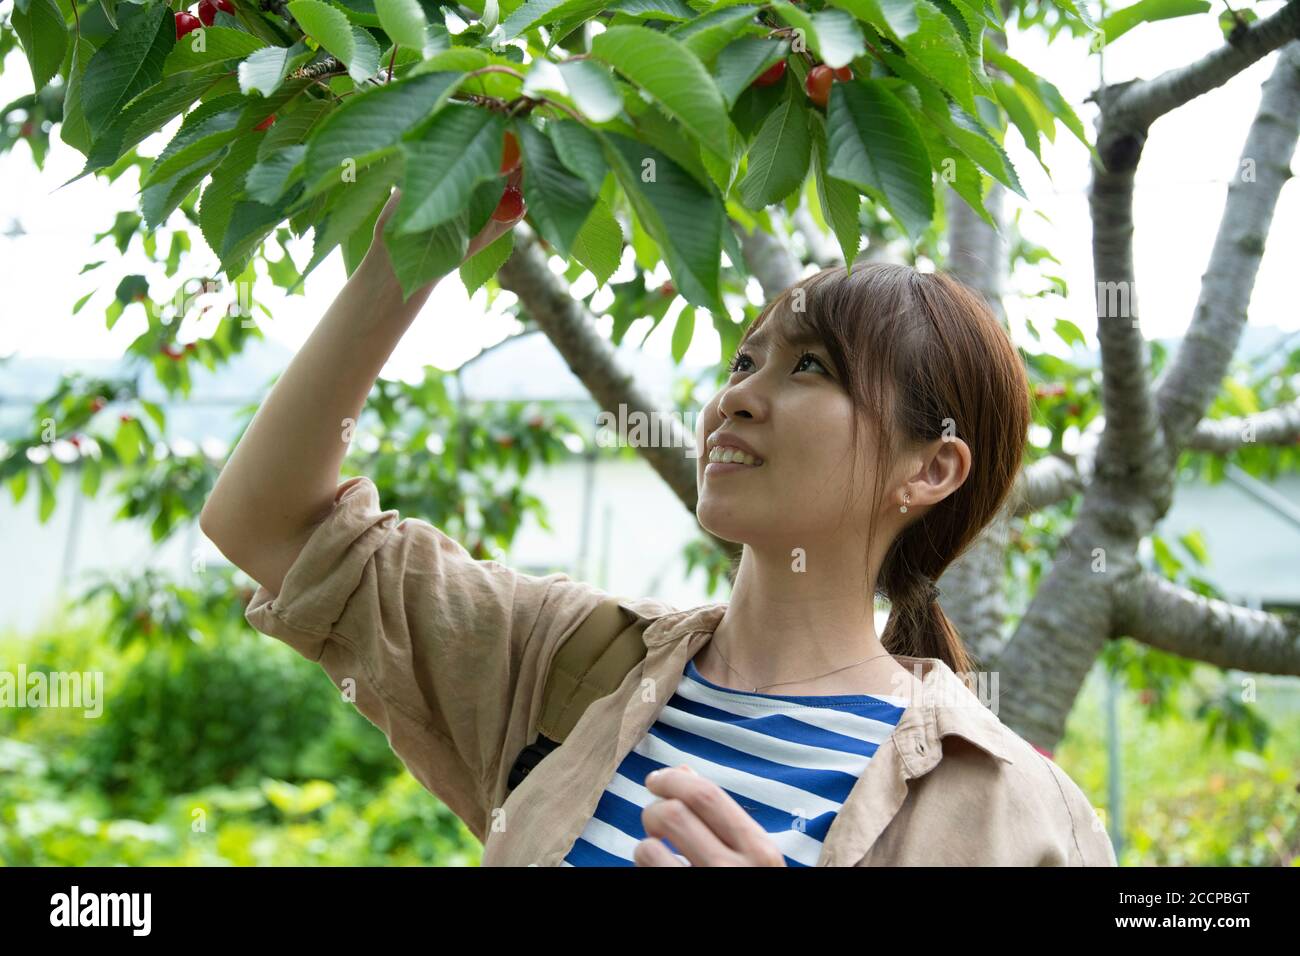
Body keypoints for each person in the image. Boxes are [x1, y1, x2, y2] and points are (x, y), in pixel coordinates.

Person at [202, 194, 1117, 867]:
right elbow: (268, 524)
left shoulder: (1011, 813)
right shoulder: (567, 664)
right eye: (744, 359)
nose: (738, 399)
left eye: (810, 369)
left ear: (931, 469)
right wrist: (405, 260)